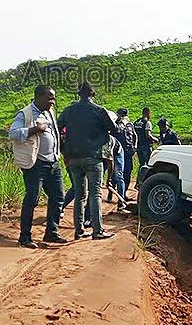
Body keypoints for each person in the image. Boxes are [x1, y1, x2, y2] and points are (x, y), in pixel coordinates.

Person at [8, 85, 67, 248]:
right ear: (39, 97)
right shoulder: (25, 113)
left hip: (53, 163)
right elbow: (13, 133)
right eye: (50, 98)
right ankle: (25, 237)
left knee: (58, 197)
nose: (53, 102)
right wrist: (35, 129)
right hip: (35, 164)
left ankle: (51, 233)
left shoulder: (49, 112)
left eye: (53, 98)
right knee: (32, 198)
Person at [57, 81, 116, 240]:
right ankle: (98, 231)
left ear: (79, 94)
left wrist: (64, 149)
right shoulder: (98, 110)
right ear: (92, 94)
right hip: (93, 157)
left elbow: (57, 128)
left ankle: (79, 230)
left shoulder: (68, 111)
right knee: (95, 193)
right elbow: (113, 128)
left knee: (79, 194)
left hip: (74, 158)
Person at [116, 108, 137, 201]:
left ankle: (123, 194)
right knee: (116, 174)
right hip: (118, 152)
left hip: (128, 152)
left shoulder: (130, 124)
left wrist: (135, 147)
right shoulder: (116, 124)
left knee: (127, 173)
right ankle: (112, 194)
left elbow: (135, 136)